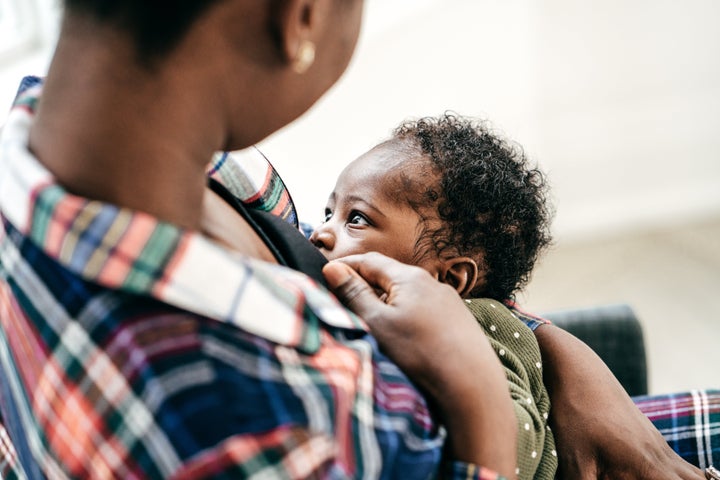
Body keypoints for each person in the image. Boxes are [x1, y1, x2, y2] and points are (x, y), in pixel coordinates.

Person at [0, 1, 714, 479]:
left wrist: (560, 355)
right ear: (300, 15)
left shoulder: (162, 160)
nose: (324, 233)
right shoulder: (234, 427)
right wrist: (474, 391)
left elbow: (424, 287)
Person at [310, 113, 557, 479]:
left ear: (450, 279)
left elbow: (522, 444)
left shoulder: (482, 325)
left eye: (356, 219)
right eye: (329, 212)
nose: (320, 234)